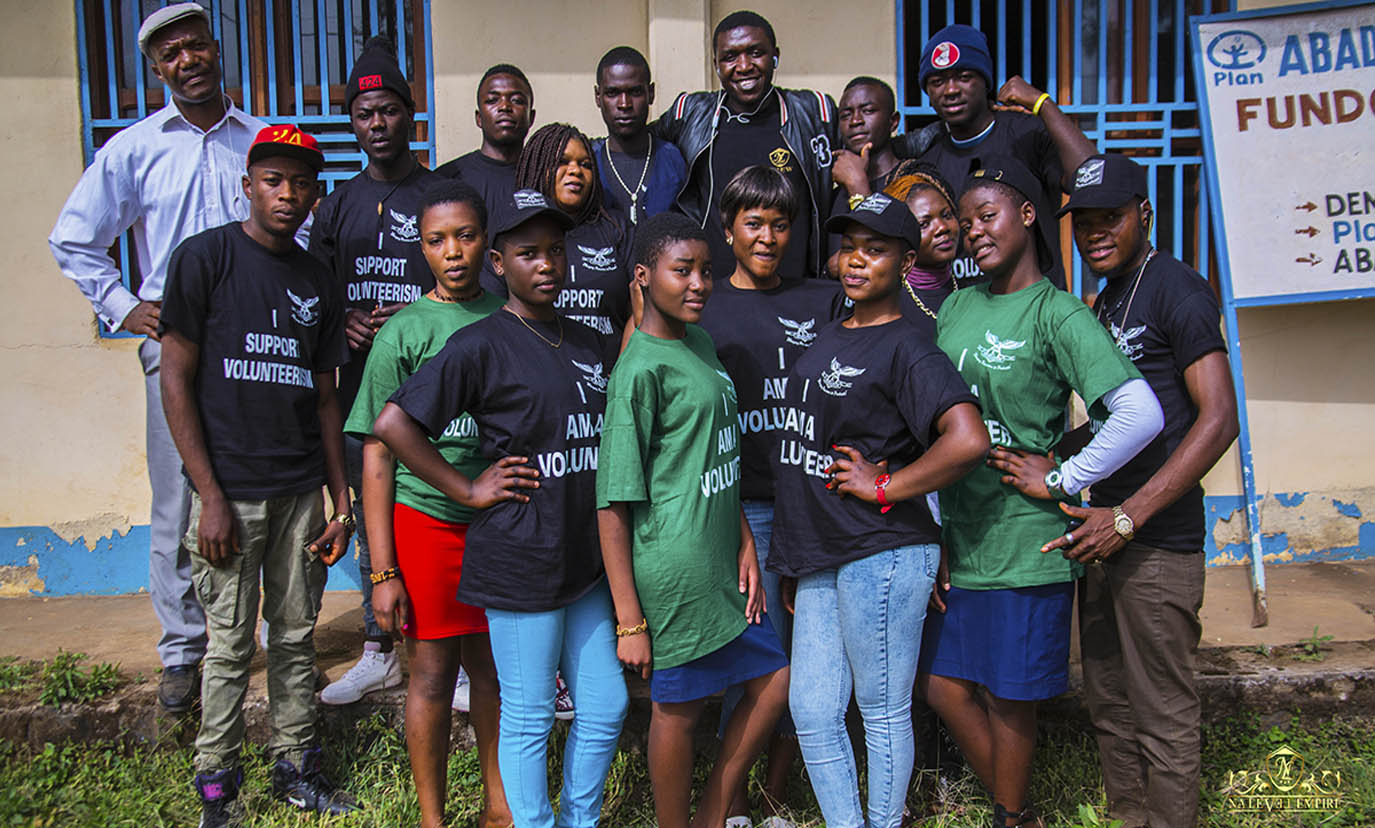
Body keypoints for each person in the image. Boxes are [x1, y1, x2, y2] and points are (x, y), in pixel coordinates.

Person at [918, 160, 1164, 828]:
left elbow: (1140, 413)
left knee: (1008, 696)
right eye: (964, 222)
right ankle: (1019, 812)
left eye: (986, 216)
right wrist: (931, 527)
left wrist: (1061, 476)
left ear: (1027, 215)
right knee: (940, 684)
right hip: (960, 536)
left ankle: (1009, 814)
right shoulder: (957, 306)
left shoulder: (1058, 312)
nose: (972, 231)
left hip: (1025, 541)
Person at [373, 188, 629, 828]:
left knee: (605, 705)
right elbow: (394, 424)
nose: (545, 264)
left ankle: (578, 820)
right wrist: (466, 490)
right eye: (528, 253)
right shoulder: (480, 343)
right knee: (529, 713)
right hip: (522, 557)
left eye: (555, 251)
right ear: (498, 262)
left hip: (585, 562)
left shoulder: (586, 340)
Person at [48, 1, 272, 714]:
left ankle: (272, 633)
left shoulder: (260, 142)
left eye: (195, 46)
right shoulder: (133, 149)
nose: (187, 60)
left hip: (259, 344)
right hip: (176, 344)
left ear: (216, 48)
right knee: (178, 494)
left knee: (268, 485)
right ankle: (182, 648)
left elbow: (297, 233)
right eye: (170, 54)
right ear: (155, 70)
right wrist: (122, 305)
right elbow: (73, 238)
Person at [158, 125, 360, 825]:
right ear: (248, 186)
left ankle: (295, 765)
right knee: (230, 646)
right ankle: (217, 786)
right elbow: (175, 379)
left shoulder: (316, 279)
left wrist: (340, 503)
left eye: (301, 183)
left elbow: (327, 399)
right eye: (273, 180)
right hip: (231, 495)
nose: (287, 195)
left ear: (314, 195)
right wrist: (209, 495)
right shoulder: (205, 258)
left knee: (296, 637)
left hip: (301, 492)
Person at [769, 191, 989, 828]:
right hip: (821, 552)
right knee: (813, 710)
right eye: (849, 248)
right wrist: (796, 554)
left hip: (882, 550)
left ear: (906, 261)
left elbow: (968, 439)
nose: (857, 260)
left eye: (875, 249)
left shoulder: (909, 346)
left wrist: (888, 485)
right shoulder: (832, 333)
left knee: (881, 708)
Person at [1039, 154, 1237, 828]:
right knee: (1110, 706)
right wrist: (1051, 456)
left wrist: (1127, 516)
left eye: (1111, 218)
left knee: (1161, 713)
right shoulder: (1108, 299)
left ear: (1144, 214)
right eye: (1084, 222)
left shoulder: (1176, 290)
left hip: (1155, 543)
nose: (1095, 233)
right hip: (1103, 537)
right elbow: (1109, 422)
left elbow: (1218, 418)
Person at [597, 211, 790, 828]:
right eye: (682, 271)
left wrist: (744, 540)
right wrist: (629, 620)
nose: (700, 284)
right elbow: (612, 504)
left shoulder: (699, 343)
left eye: (706, 270)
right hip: (675, 569)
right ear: (643, 276)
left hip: (721, 558)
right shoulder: (638, 371)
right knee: (677, 710)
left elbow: (716, 457)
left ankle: (711, 814)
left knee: (775, 679)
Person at [343, 179, 512, 828]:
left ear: (487, 244)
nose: (453, 252)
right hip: (426, 523)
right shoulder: (403, 332)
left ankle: (499, 807)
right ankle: (432, 818)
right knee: (433, 675)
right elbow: (378, 455)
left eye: (465, 236)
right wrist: (383, 571)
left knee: (493, 675)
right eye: (437, 240)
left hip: (497, 525)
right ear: (421, 248)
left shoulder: (508, 317)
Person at [697, 165, 844, 827]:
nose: (766, 237)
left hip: (815, 509)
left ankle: (775, 799)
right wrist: (733, 529)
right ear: (727, 229)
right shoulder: (705, 307)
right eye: (753, 223)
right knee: (756, 662)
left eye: (779, 224)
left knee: (806, 666)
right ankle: (728, 805)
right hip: (746, 511)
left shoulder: (822, 301)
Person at [308, 34, 432, 707]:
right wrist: (345, 323)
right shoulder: (335, 206)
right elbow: (315, 296)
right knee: (371, 521)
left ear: (409, 115)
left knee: (437, 518)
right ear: (352, 124)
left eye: (388, 110)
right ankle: (379, 650)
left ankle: (448, 651)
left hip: (435, 396)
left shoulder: (440, 193)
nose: (376, 123)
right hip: (365, 394)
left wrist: (417, 315)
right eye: (364, 114)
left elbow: (465, 281)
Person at [893, 24, 1096, 289]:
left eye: (964, 77)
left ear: (985, 82)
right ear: (928, 94)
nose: (951, 90)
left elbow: (1092, 178)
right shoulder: (928, 160)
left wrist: (1043, 104)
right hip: (963, 307)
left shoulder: (1027, 134)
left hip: (1036, 307)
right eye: (938, 82)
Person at [654, 10, 837, 280]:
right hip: (714, 290)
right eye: (730, 57)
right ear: (716, 64)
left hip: (795, 290)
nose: (744, 66)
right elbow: (637, 145)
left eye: (755, 53)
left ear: (775, 55)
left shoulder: (815, 113)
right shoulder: (690, 114)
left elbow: (872, 157)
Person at [517, 123, 631, 338]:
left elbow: (640, 308)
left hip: (610, 358)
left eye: (585, 165)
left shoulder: (616, 227)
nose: (575, 171)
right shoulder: (516, 230)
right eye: (562, 162)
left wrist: (625, 359)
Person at [436, 64, 536, 296]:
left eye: (517, 100)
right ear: (479, 118)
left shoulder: (546, 178)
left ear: (531, 117)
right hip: (464, 310)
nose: (505, 107)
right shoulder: (448, 179)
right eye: (492, 100)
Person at [591, 46, 688, 226]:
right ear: (598, 96)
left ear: (651, 93)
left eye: (635, 92)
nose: (624, 104)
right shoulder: (588, 164)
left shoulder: (673, 159)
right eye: (613, 93)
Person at [880, 161, 962, 340]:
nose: (942, 227)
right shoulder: (887, 305)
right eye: (924, 224)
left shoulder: (973, 291)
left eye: (947, 215)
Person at [829, 76, 904, 217]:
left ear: (893, 121)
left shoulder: (912, 182)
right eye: (846, 115)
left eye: (868, 111)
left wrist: (858, 187)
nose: (855, 121)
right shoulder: (835, 196)